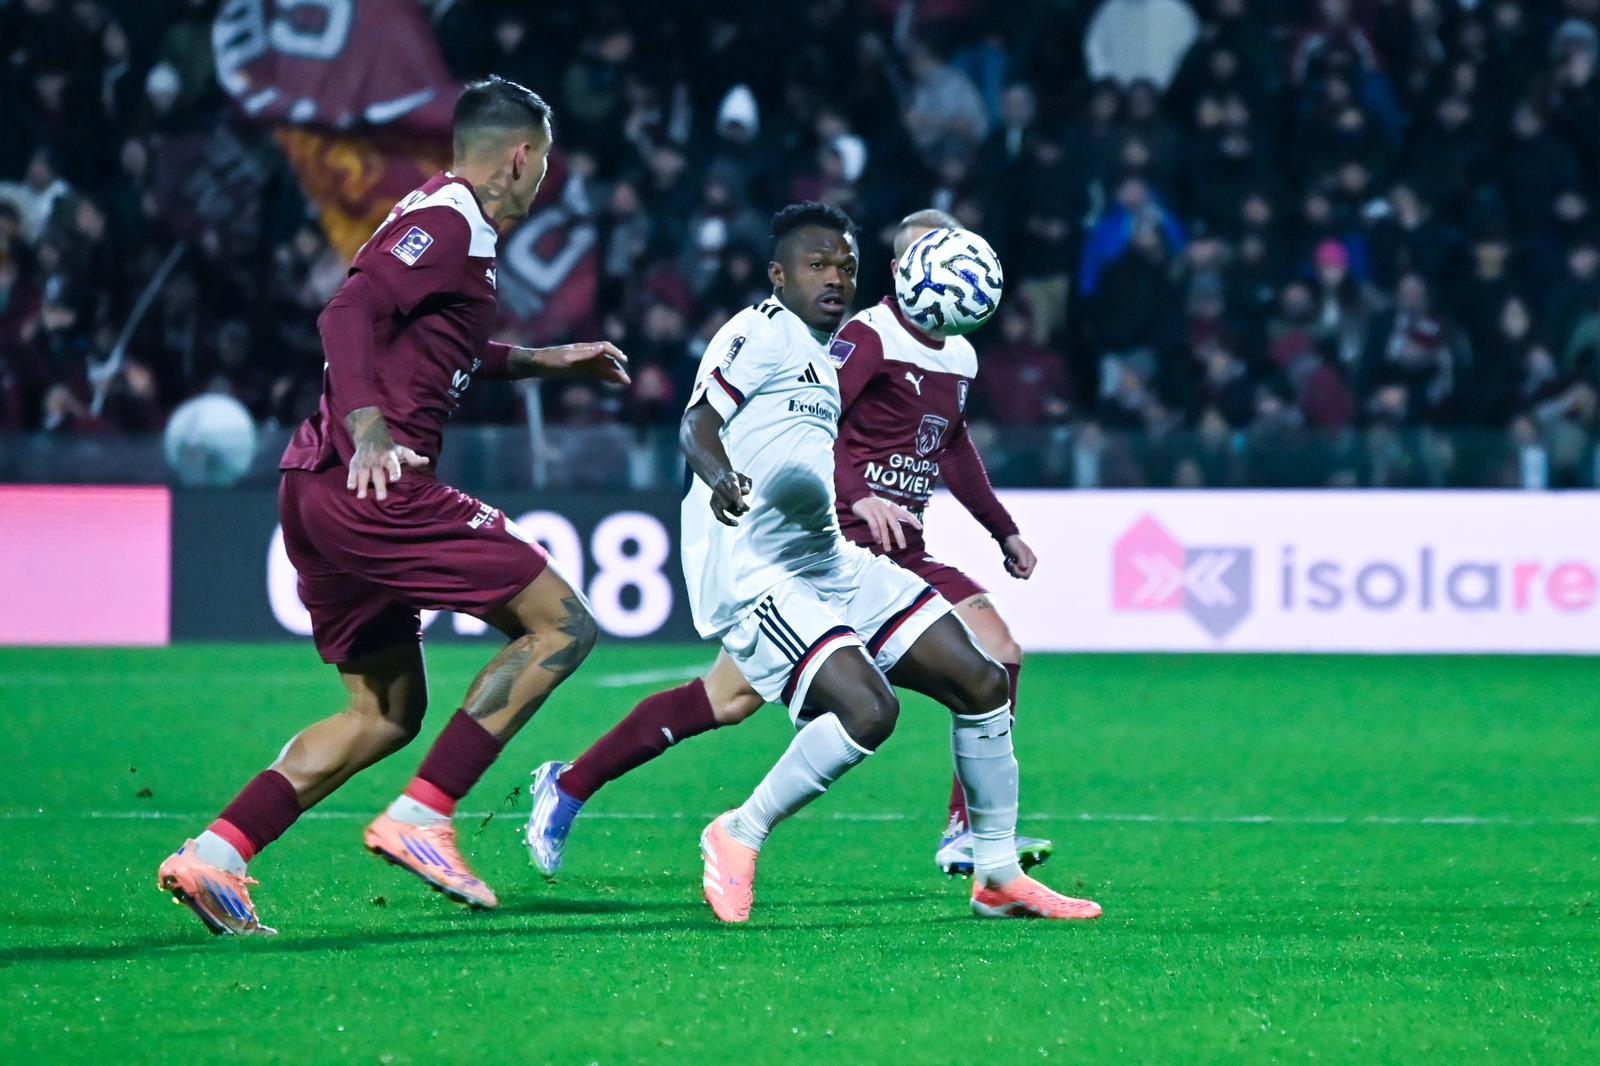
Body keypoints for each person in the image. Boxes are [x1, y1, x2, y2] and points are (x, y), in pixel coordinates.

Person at [532, 201, 1100, 922]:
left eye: (845, 267)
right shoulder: (765, 332)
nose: (835, 278)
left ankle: (994, 870)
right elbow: (697, 421)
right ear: (779, 275)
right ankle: (736, 831)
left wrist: (997, 527)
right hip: (757, 569)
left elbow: (916, 445)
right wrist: (724, 478)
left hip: (827, 557)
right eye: (818, 265)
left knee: (983, 678)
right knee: (866, 709)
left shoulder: (834, 352)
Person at [155, 77, 630, 936]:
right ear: (519, 156)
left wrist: (546, 361)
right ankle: (423, 814)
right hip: (374, 482)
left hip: (317, 485)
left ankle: (216, 854)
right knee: (562, 625)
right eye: (545, 162)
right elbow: (348, 311)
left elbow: (442, 345)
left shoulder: (446, 225)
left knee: (384, 710)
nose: (544, 178)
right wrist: (369, 428)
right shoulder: (451, 221)